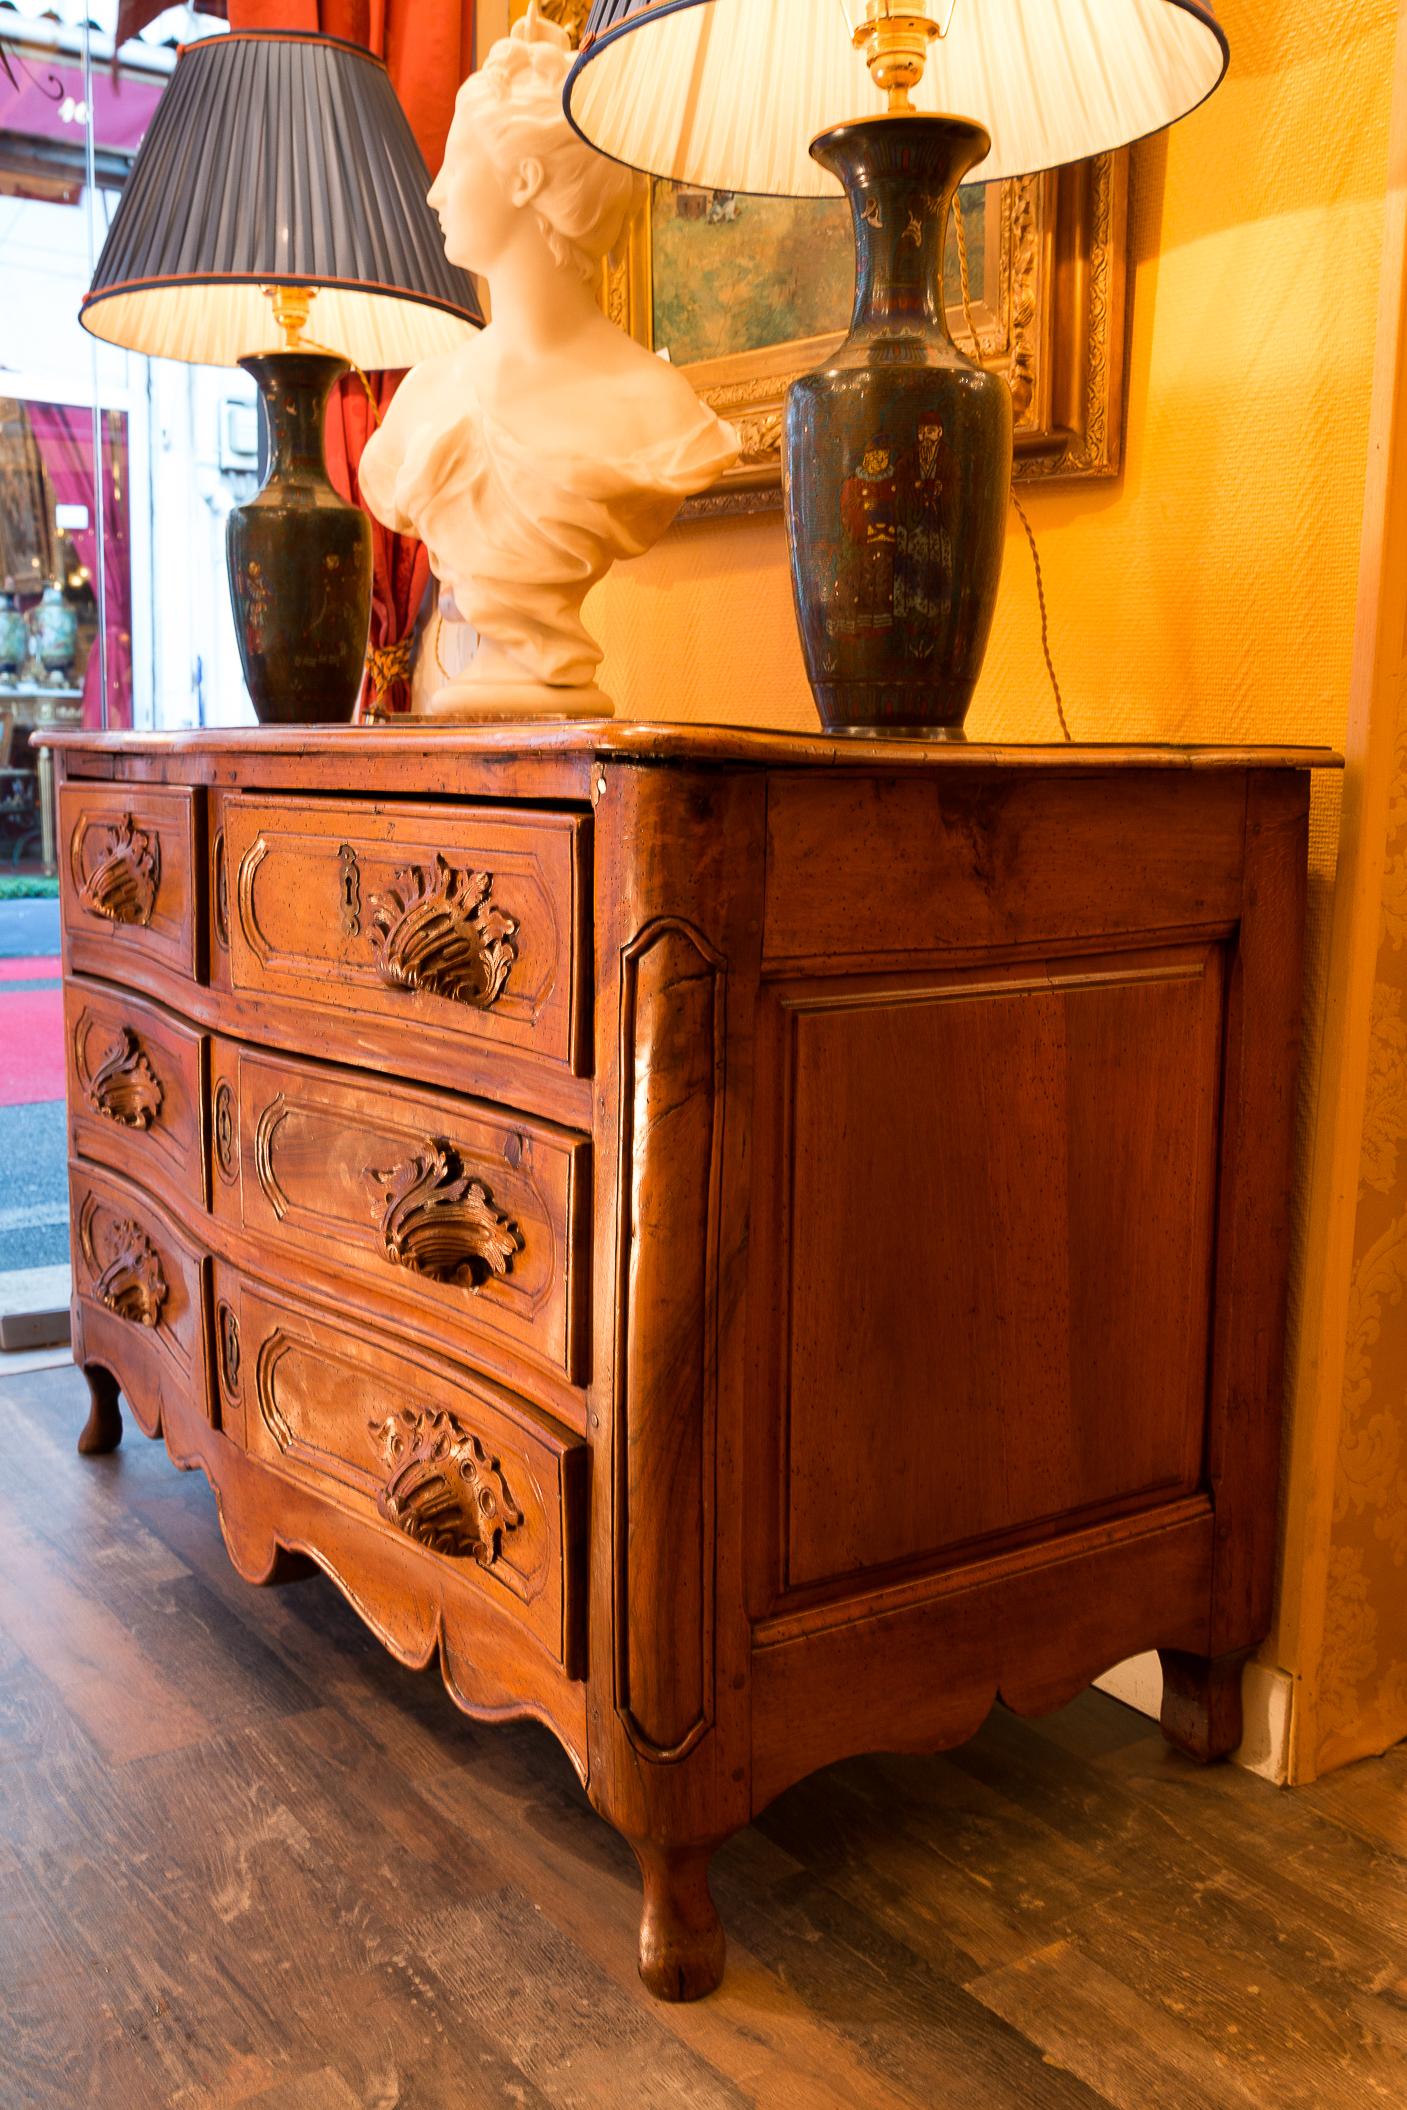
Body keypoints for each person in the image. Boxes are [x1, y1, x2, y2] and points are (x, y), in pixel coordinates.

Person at [359, 4, 738, 715]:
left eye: (456, 162)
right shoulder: (424, 400)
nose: (435, 192)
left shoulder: (655, 411)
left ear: (525, 177)